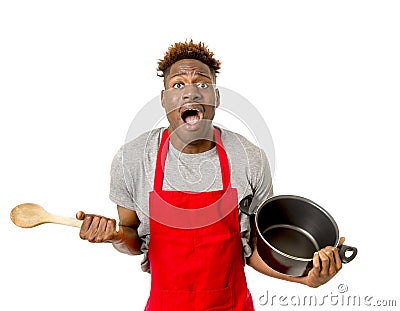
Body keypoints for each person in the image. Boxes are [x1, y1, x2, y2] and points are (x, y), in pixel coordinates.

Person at [76, 40, 345, 310]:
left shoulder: (249, 158)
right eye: (178, 84)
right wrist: (114, 237)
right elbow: (132, 239)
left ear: (216, 97)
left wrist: (305, 279)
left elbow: (254, 251)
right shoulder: (132, 160)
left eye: (202, 84)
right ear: (163, 99)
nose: (190, 93)